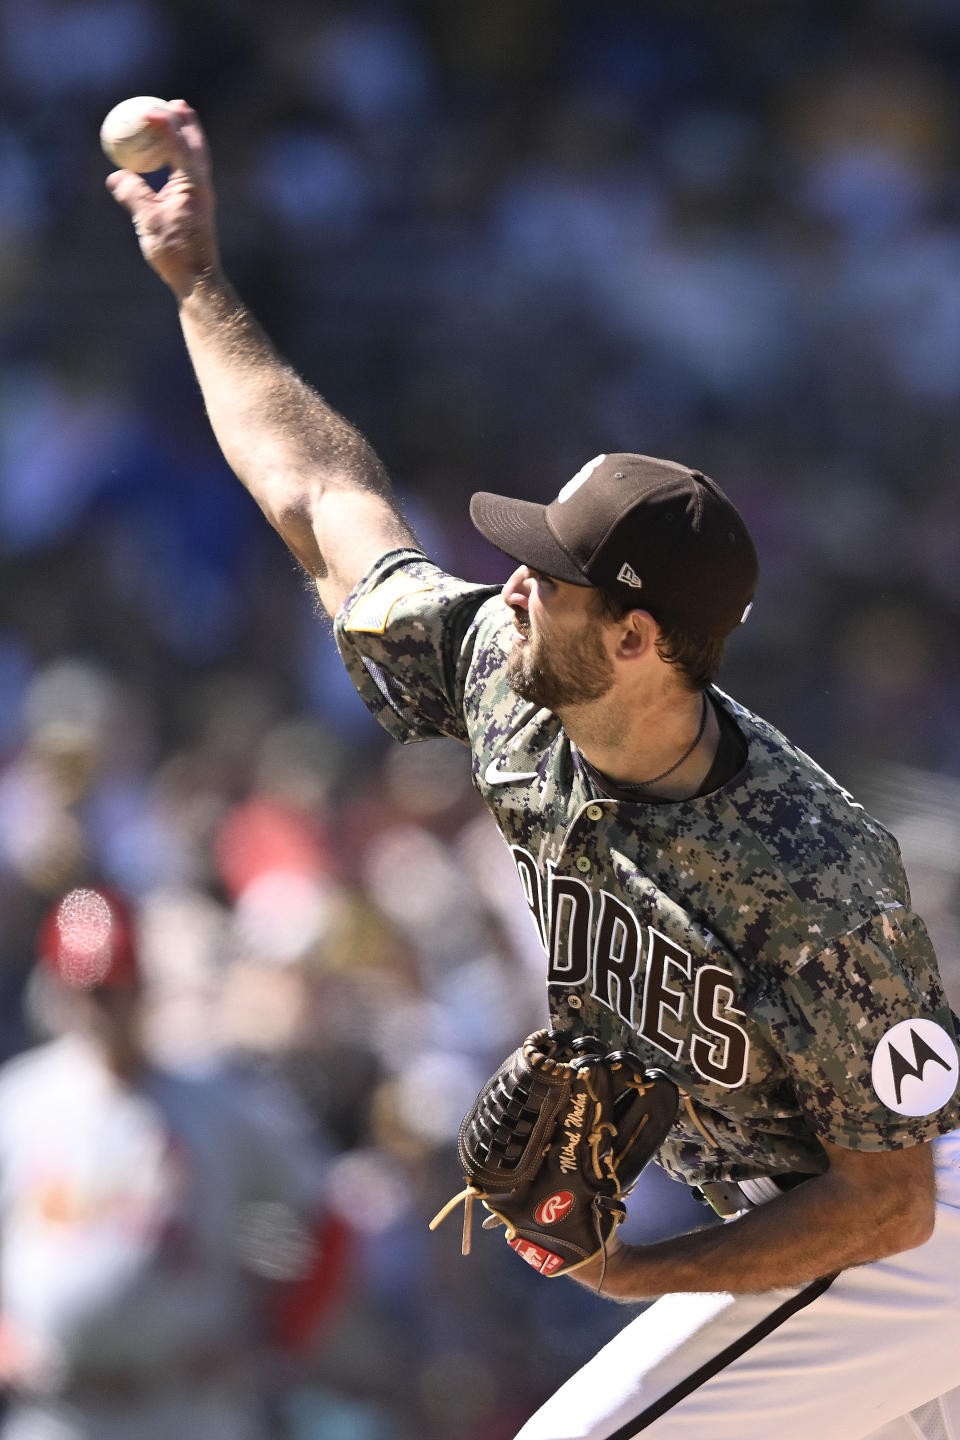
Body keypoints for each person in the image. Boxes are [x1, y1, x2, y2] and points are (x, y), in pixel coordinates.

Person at [107, 101, 960, 1440]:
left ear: (634, 638)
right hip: (827, 1237)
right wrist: (200, 280)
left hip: (917, 1244)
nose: (510, 582)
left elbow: (893, 1201)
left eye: (551, 576)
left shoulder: (813, 867)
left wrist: (641, 1276)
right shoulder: (510, 681)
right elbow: (319, 501)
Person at [0, 885, 341, 1440]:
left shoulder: (214, 1100)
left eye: (114, 988)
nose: (101, 1007)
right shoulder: (20, 1101)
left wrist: (281, 1339)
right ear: (58, 990)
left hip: (190, 1406)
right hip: (61, 1412)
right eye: (85, 990)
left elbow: (328, 1213)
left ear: (143, 984)